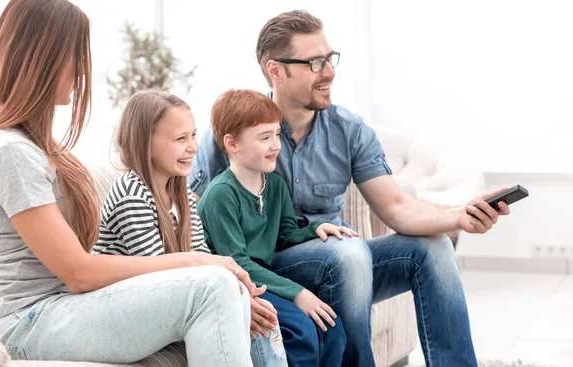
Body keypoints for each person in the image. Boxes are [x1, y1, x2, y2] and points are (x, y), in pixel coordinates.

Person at [190, 10, 512, 367]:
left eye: (330, 59)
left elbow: (397, 208)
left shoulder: (349, 131)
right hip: (269, 266)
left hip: (343, 266)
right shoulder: (234, 132)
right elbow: (193, 216)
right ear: (276, 70)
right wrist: (230, 286)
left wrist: (459, 216)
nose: (330, 71)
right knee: (350, 252)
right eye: (315, 63)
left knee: (432, 250)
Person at [0, 1, 254, 365]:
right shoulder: (9, 151)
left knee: (228, 287)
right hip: (24, 321)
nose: (82, 70)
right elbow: (79, 272)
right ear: (44, 57)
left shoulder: (36, 150)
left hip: (57, 307)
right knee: (211, 286)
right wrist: (196, 261)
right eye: (76, 55)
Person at [93, 89, 288, 366]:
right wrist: (236, 302)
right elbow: (158, 274)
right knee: (243, 310)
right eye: (180, 138)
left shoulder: (180, 191)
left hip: (173, 295)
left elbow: (202, 255)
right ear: (145, 143)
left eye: (194, 135)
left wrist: (244, 300)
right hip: (124, 306)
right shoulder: (132, 194)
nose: (194, 146)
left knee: (262, 315)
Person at [197, 89, 349, 367]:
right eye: (264, 137)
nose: (276, 145)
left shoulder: (276, 185)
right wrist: (298, 293)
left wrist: (316, 228)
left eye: (277, 134)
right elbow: (236, 263)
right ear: (232, 143)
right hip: (238, 284)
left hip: (266, 277)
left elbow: (286, 236)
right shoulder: (221, 194)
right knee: (301, 332)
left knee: (333, 330)